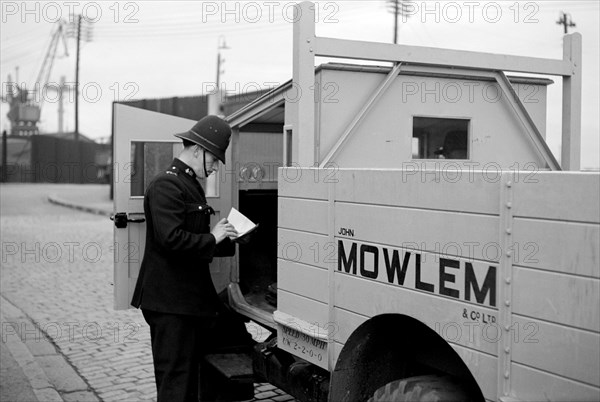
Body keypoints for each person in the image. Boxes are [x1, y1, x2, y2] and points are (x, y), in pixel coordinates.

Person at [131, 115, 239, 401]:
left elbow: (198, 241)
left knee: (191, 379)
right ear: (197, 150)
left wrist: (230, 239)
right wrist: (213, 237)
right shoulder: (166, 186)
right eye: (214, 159)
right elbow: (171, 240)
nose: (215, 166)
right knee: (176, 384)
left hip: (188, 302)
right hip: (170, 304)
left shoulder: (190, 185)